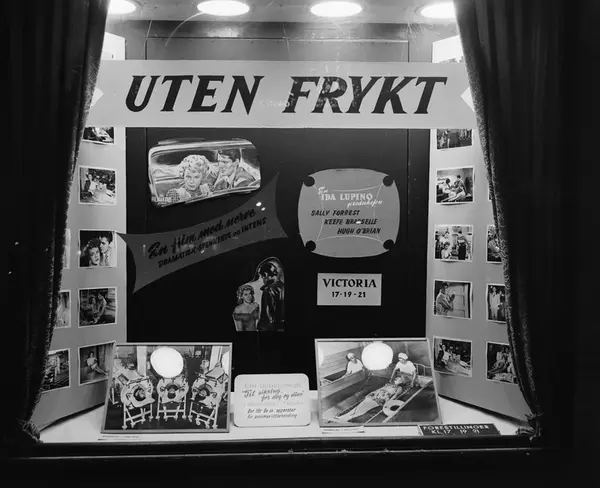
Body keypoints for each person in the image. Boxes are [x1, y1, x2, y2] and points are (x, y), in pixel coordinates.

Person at [257, 260, 285, 331]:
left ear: (266, 274)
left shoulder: (268, 290)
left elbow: (267, 318)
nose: (262, 279)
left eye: (261, 276)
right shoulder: (283, 286)